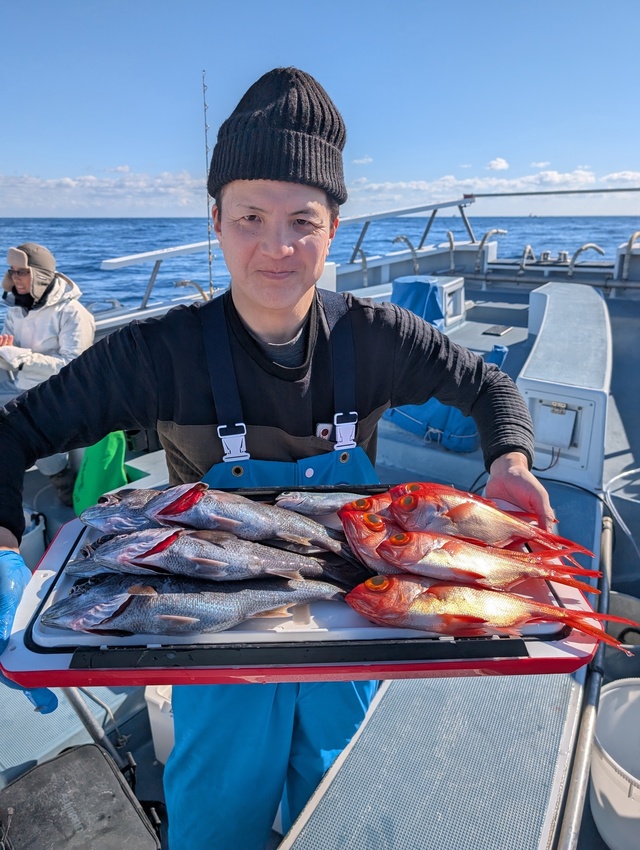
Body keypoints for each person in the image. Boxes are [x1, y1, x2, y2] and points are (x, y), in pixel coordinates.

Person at [0, 67, 554, 850]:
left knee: (341, 814)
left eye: (302, 219)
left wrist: (512, 464)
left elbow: (488, 386)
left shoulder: (378, 336)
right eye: (251, 216)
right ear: (217, 219)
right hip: (208, 641)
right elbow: (14, 431)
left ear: (334, 226)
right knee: (213, 820)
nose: (276, 247)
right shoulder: (160, 355)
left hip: (358, 622)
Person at [0, 243, 95, 505]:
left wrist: (20, 357)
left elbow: (72, 367)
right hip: (23, 383)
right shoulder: (16, 309)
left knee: (22, 422)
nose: (14, 278)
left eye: (22, 272)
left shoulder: (73, 313)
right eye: (12, 272)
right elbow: (14, 359)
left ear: (40, 275)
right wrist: (6, 354)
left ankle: (62, 479)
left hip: (61, 394)